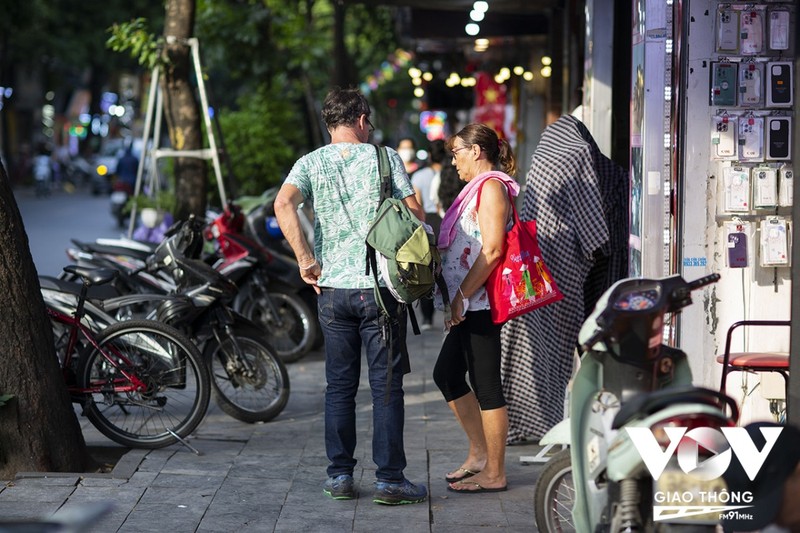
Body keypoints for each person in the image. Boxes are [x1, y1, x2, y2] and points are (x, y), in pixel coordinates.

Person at [274, 87, 428, 505]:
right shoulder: (385, 158)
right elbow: (416, 215)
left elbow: (282, 204)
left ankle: (340, 476)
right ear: (361, 119)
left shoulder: (309, 163)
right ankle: (390, 481)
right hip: (380, 291)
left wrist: (306, 259)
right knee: (386, 388)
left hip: (332, 291)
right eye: (370, 121)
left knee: (339, 387)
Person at [499, 115, 629, 445]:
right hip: (580, 269)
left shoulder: (545, 159)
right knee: (589, 342)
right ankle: (590, 415)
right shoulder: (598, 165)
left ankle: (536, 420)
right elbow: (597, 237)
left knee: (541, 348)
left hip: (535, 272)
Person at [432, 123, 518, 494]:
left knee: (486, 386)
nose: (453, 162)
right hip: (470, 303)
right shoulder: (477, 190)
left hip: (480, 303)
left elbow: (493, 249)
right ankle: (479, 454)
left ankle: (495, 472)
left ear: (477, 151)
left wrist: (462, 296)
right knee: (447, 374)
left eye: (456, 152)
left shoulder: (492, 188)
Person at [410, 139, 446, 330]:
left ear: (430, 156)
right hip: (449, 221)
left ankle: (427, 318)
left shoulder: (419, 176)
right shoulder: (453, 173)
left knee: (426, 269)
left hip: (428, 222)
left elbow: (417, 204)